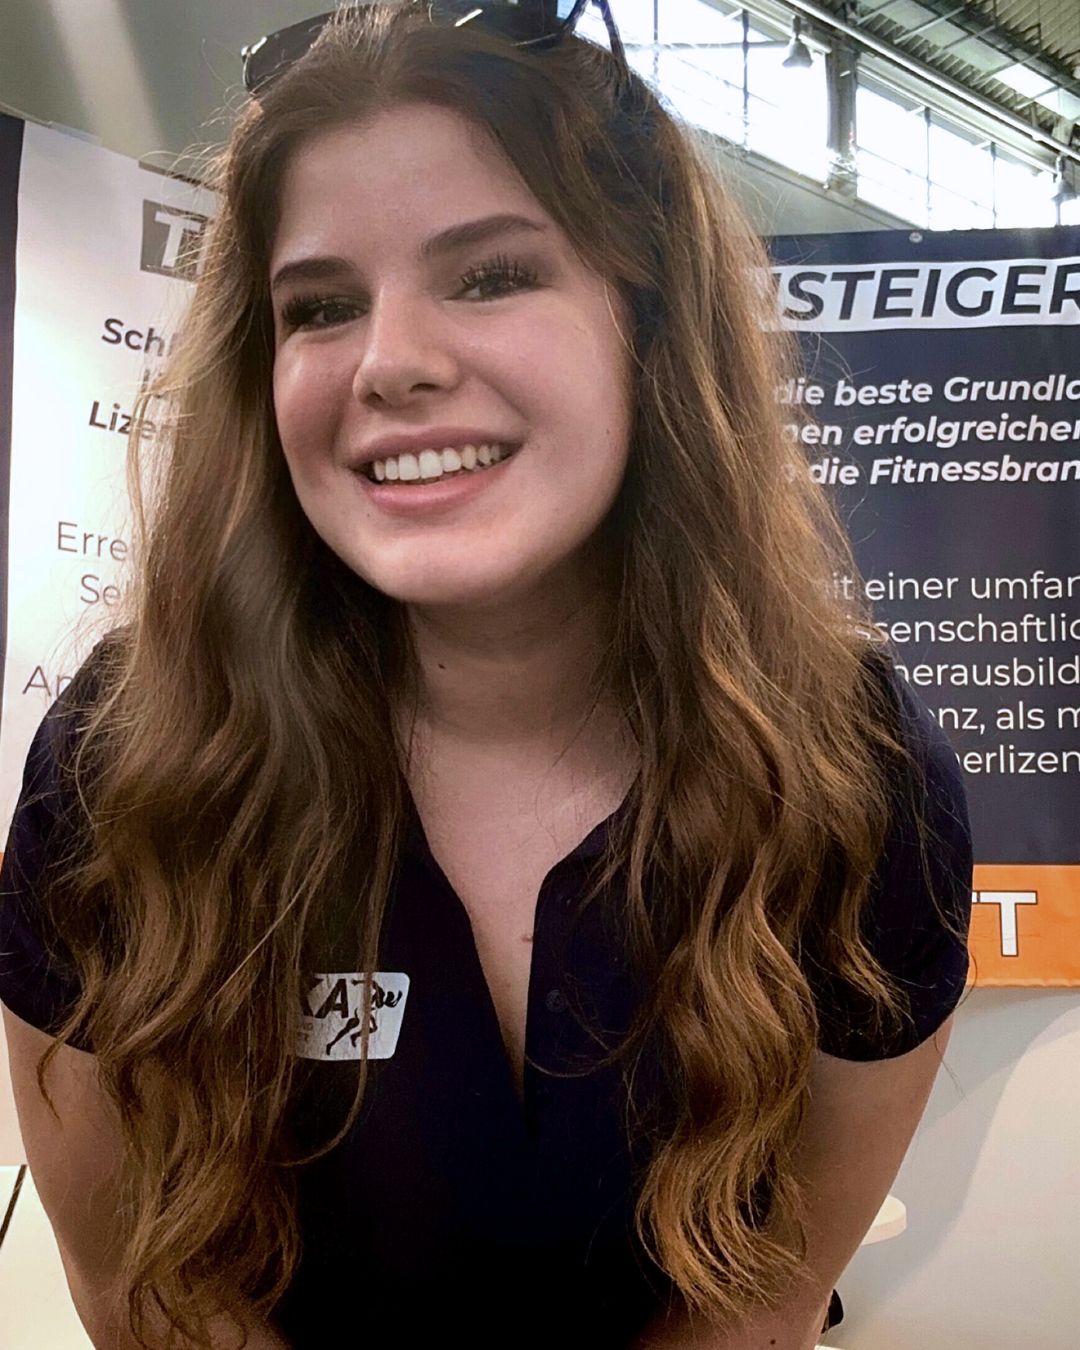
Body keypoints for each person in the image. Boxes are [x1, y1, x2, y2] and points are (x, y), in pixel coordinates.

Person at [0, 4, 973, 1349]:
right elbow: (137, 1284)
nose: (391, 362)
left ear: (646, 324)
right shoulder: (127, 757)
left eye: (492, 275)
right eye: (321, 305)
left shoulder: (855, 770)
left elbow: (771, 1292)